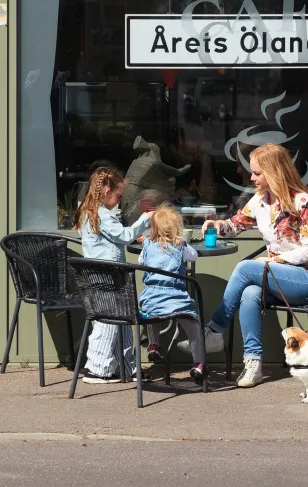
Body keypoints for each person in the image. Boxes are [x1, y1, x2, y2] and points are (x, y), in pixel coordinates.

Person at [195, 143, 308, 388]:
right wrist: (217, 225)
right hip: (277, 276)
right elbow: (236, 224)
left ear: (273, 172)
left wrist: (274, 260)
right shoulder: (260, 201)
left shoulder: (303, 202)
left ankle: (213, 330)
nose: (251, 177)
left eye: (257, 173)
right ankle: (253, 363)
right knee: (250, 292)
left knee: (246, 268)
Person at [73, 162, 144, 384]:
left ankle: (127, 366)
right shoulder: (103, 215)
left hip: (100, 274)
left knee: (118, 317)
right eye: (118, 195)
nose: (119, 200)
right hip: (108, 274)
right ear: (106, 192)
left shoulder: (88, 211)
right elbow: (123, 236)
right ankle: (98, 367)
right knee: (109, 321)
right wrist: (145, 220)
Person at [137, 203, 217, 383]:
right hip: (176, 299)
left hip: (152, 298)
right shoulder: (181, 246)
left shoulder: (148, 244)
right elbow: (194, 256)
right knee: (193, 327)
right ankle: (198, 364)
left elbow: (141, 260)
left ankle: (154, 344)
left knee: (151, 315)